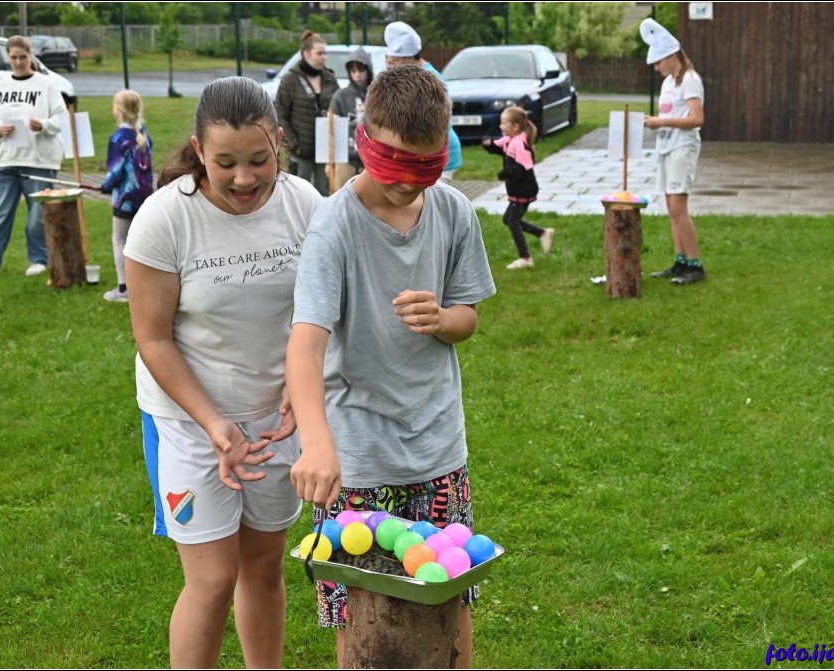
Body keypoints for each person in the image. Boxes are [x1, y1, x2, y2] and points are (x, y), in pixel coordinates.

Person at [286, 65, 496, 668]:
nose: (407, 183)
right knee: (361, 614)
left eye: (424, 167)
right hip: (358, 456)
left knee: (448, 596)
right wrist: (317, 442)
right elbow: (305, 343)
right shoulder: (335, 225)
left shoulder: (454, 213)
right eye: (394, 162)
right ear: (363, 139)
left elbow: (468, 317)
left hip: (436, 447)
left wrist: (442, 318)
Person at [123, 76, 325, 668]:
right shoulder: (164, 219)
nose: (244, 179)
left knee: (263, 566)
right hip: (188, 420)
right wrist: (213, 425)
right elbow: (153, 339)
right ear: (197, 150)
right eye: (225, 163)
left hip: (271, 420)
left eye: (259, 160)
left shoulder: (304, 204)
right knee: (212, 579)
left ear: (280, 143)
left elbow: (319, 312)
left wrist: (298, 382)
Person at [0, 35, 66, 279]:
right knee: (0, 212)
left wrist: (44, 125)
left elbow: (61, 118)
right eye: (13, 58)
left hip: (38, 160)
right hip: (4, 160)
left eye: (23, 57)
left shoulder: (46, 86)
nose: (18, 62)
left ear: (30, 56)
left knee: (37, 214)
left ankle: (38, 259)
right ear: (8, 57)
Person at [640, 18, 707, 285]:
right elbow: (670, 114)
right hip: (667, 146)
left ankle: (695, 265)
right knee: (671, 206)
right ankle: (680, 262)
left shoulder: (690, 80)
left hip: (683, 147)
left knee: (679, 207)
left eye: (658, 63)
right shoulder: (669, 82)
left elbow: (697, 118)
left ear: (671, 56)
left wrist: (662, 121)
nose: (656, 68)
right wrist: (655, 121)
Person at [383, 21, 463, 180]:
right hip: (423, 154)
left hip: (438, 155)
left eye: (397, 61)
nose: (394, 65)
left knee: (434, 202)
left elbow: (434, 124)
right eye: (391, 61)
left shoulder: (431, 79)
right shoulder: (411, 75)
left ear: (411, 57)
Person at [482, 106, 554, 270]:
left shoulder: (519, 144)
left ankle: (525, 258)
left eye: (504, 123)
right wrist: (488, 145)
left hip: (524, 189)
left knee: (512, 221)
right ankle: (542, 233)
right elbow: (499, 148)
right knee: (508, 219)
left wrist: (505, 173)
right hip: (517, 190)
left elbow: (524, 167)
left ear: (515, 127)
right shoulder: (510, 139)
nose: (501, 126)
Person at [98, 90, 154, 303]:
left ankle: (124, 288)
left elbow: (115, 170)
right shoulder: (143, 134)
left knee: (120, 240)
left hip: (125, 199)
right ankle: (144, 284)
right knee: (139, 241)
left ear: (118, 111)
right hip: (145, 196)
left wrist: (106, 185)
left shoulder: (118, 138)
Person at [274, 30, 339, 194]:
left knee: (324, 192)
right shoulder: (290, 80)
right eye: (319, 53)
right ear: (306, 53)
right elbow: (280, 115)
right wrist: (294, 145)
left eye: (325, 53)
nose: (324, 57)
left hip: (325, 149)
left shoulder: (330, 78)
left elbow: (339, 108)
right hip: (301, 151)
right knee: (297, 193)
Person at [327, 46, 374, 192]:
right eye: (353, 71)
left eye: (361, 70)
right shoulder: (340, 96)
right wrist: (329, 163)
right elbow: (330, 131)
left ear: (369, 70)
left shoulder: (377, 95)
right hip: (345, 160)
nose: (358, 75)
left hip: (371, 161)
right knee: (341, 201)